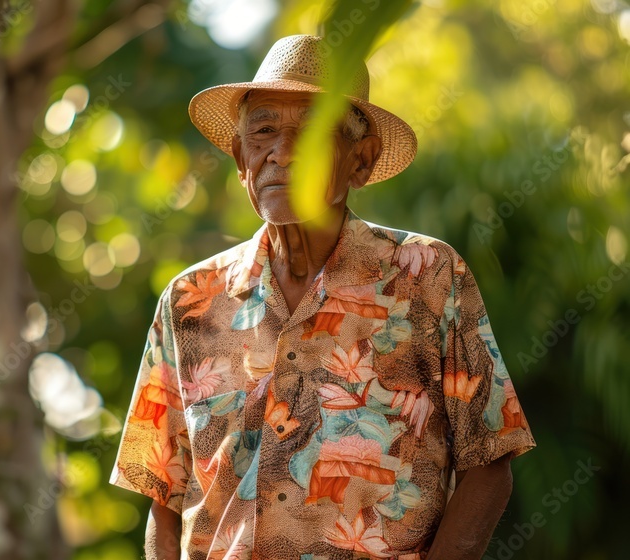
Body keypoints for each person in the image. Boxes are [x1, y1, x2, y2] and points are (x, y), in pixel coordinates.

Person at [109, 35, 535, 559]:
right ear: (241, 157)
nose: (283, 154)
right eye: (264, 132)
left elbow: (490, 463)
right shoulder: (190, 299)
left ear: (360, 159)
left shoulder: (428, 276)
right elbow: (163, 495)